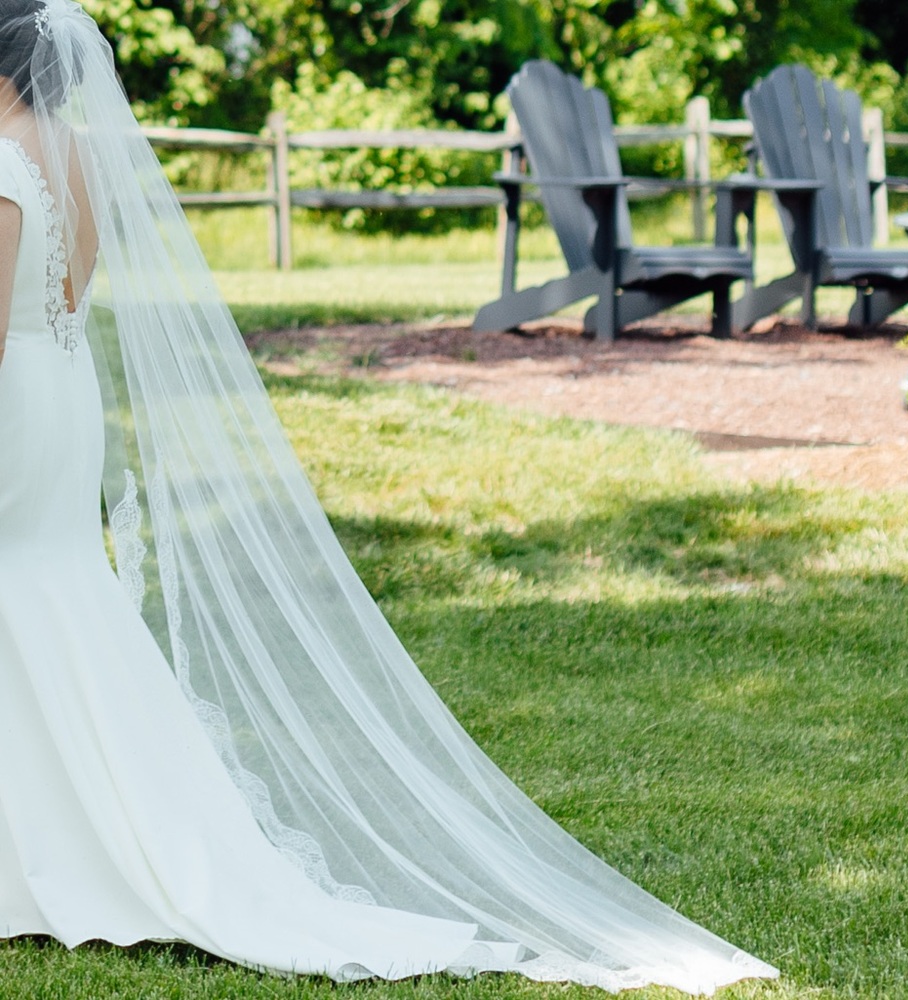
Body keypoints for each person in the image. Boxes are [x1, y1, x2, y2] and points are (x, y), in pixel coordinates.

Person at [0, 0, 779, 992]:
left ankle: (49, 856)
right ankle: (55, 844)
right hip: (63, 394)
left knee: (23, 589)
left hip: (15, 401)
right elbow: (69, 296)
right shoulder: (69, 150)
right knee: (52, 593)